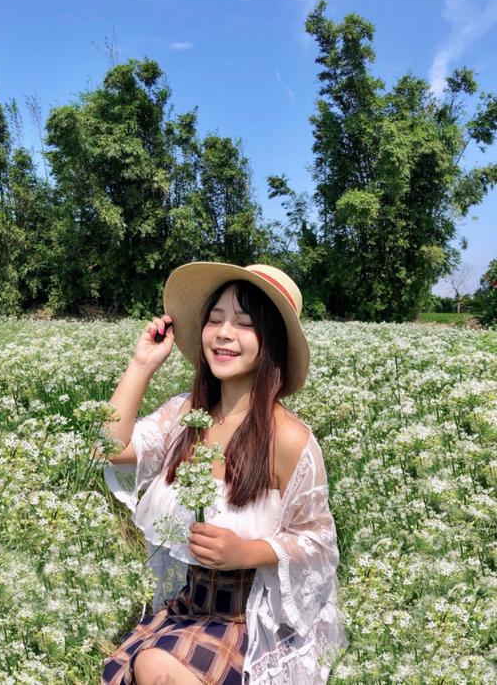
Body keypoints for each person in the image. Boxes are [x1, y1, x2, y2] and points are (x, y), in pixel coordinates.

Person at [100, 262, 349, 685]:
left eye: (244, 323)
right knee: (135, 668)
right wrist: (142, 365)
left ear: (271, 341)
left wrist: (246, 552)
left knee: (154, 668)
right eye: (215, 320)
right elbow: (108, 447)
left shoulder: (288, 438)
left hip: (251, 619)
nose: (224, 333)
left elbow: (318, 541)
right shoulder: (186, 415)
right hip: (190, 606)